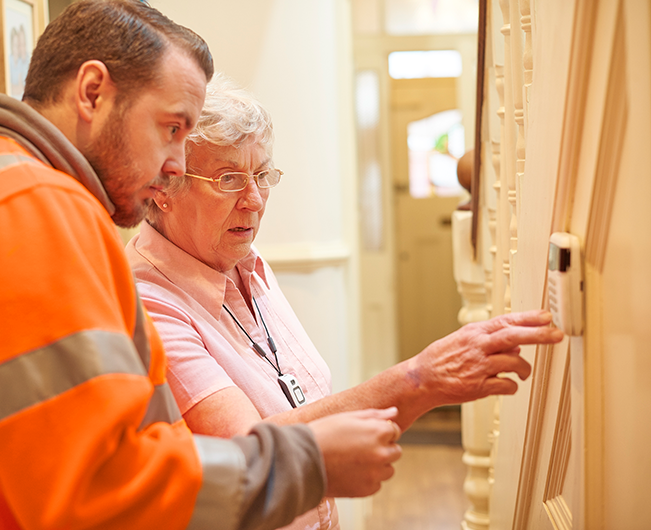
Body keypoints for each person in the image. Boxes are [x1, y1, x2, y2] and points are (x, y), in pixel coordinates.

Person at [0, 0, 402, 530]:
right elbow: (100, 485)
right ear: (93, 93)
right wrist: (307, 461)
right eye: (171, 128)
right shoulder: (30, 206)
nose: (176, 163)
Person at [125, 75, 565, 529]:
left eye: (262, 175)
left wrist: (426, 384)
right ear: (163, 186)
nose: (254, 200)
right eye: (228, 179)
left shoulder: (243, 262)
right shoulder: (147, 304)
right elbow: (249, 455)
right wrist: (420, 379)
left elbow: (301, 413)